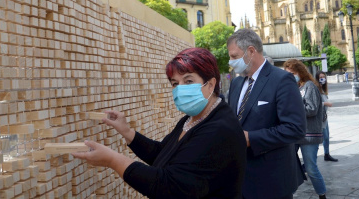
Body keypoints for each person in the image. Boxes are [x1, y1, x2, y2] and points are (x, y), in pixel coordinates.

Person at [72, 48, 247, 198]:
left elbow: (168, 186)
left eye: (188, 81)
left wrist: (113, 160)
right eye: (175, 83)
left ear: (211, 84)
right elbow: (163, 154)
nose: (180, 89)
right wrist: (127, 132)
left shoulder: (219, 129)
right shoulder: (194, 118)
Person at [227, 28, 307, 199]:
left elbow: (295, 128)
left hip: (271, 181)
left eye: (234, 56)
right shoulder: (236, 83)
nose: (231, 61)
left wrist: (251, 138)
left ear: (250, 51)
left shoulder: (281, 80)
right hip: (239, 181)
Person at [284, 59, 327, 199]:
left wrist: (292, 109)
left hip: (310, 135)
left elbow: (312, 109)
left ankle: (322, 194)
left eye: (292, 73)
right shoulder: (294, 88)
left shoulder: (309, 86)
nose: (290, 76)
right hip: (295, 134)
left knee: (311, 169)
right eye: (287, 74)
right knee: (288, 166)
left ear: (300, 72)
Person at [315, 71, 338, 162]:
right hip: (319, 118)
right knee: (319, 138)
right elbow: (314, 103)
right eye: (320, 77)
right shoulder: (316, 88)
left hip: (324, 117)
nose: (322, 79)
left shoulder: (323, 89)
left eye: (323, 77)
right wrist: (325, 103)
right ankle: (312, 159)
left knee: (327, 137)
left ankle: (327, 154)